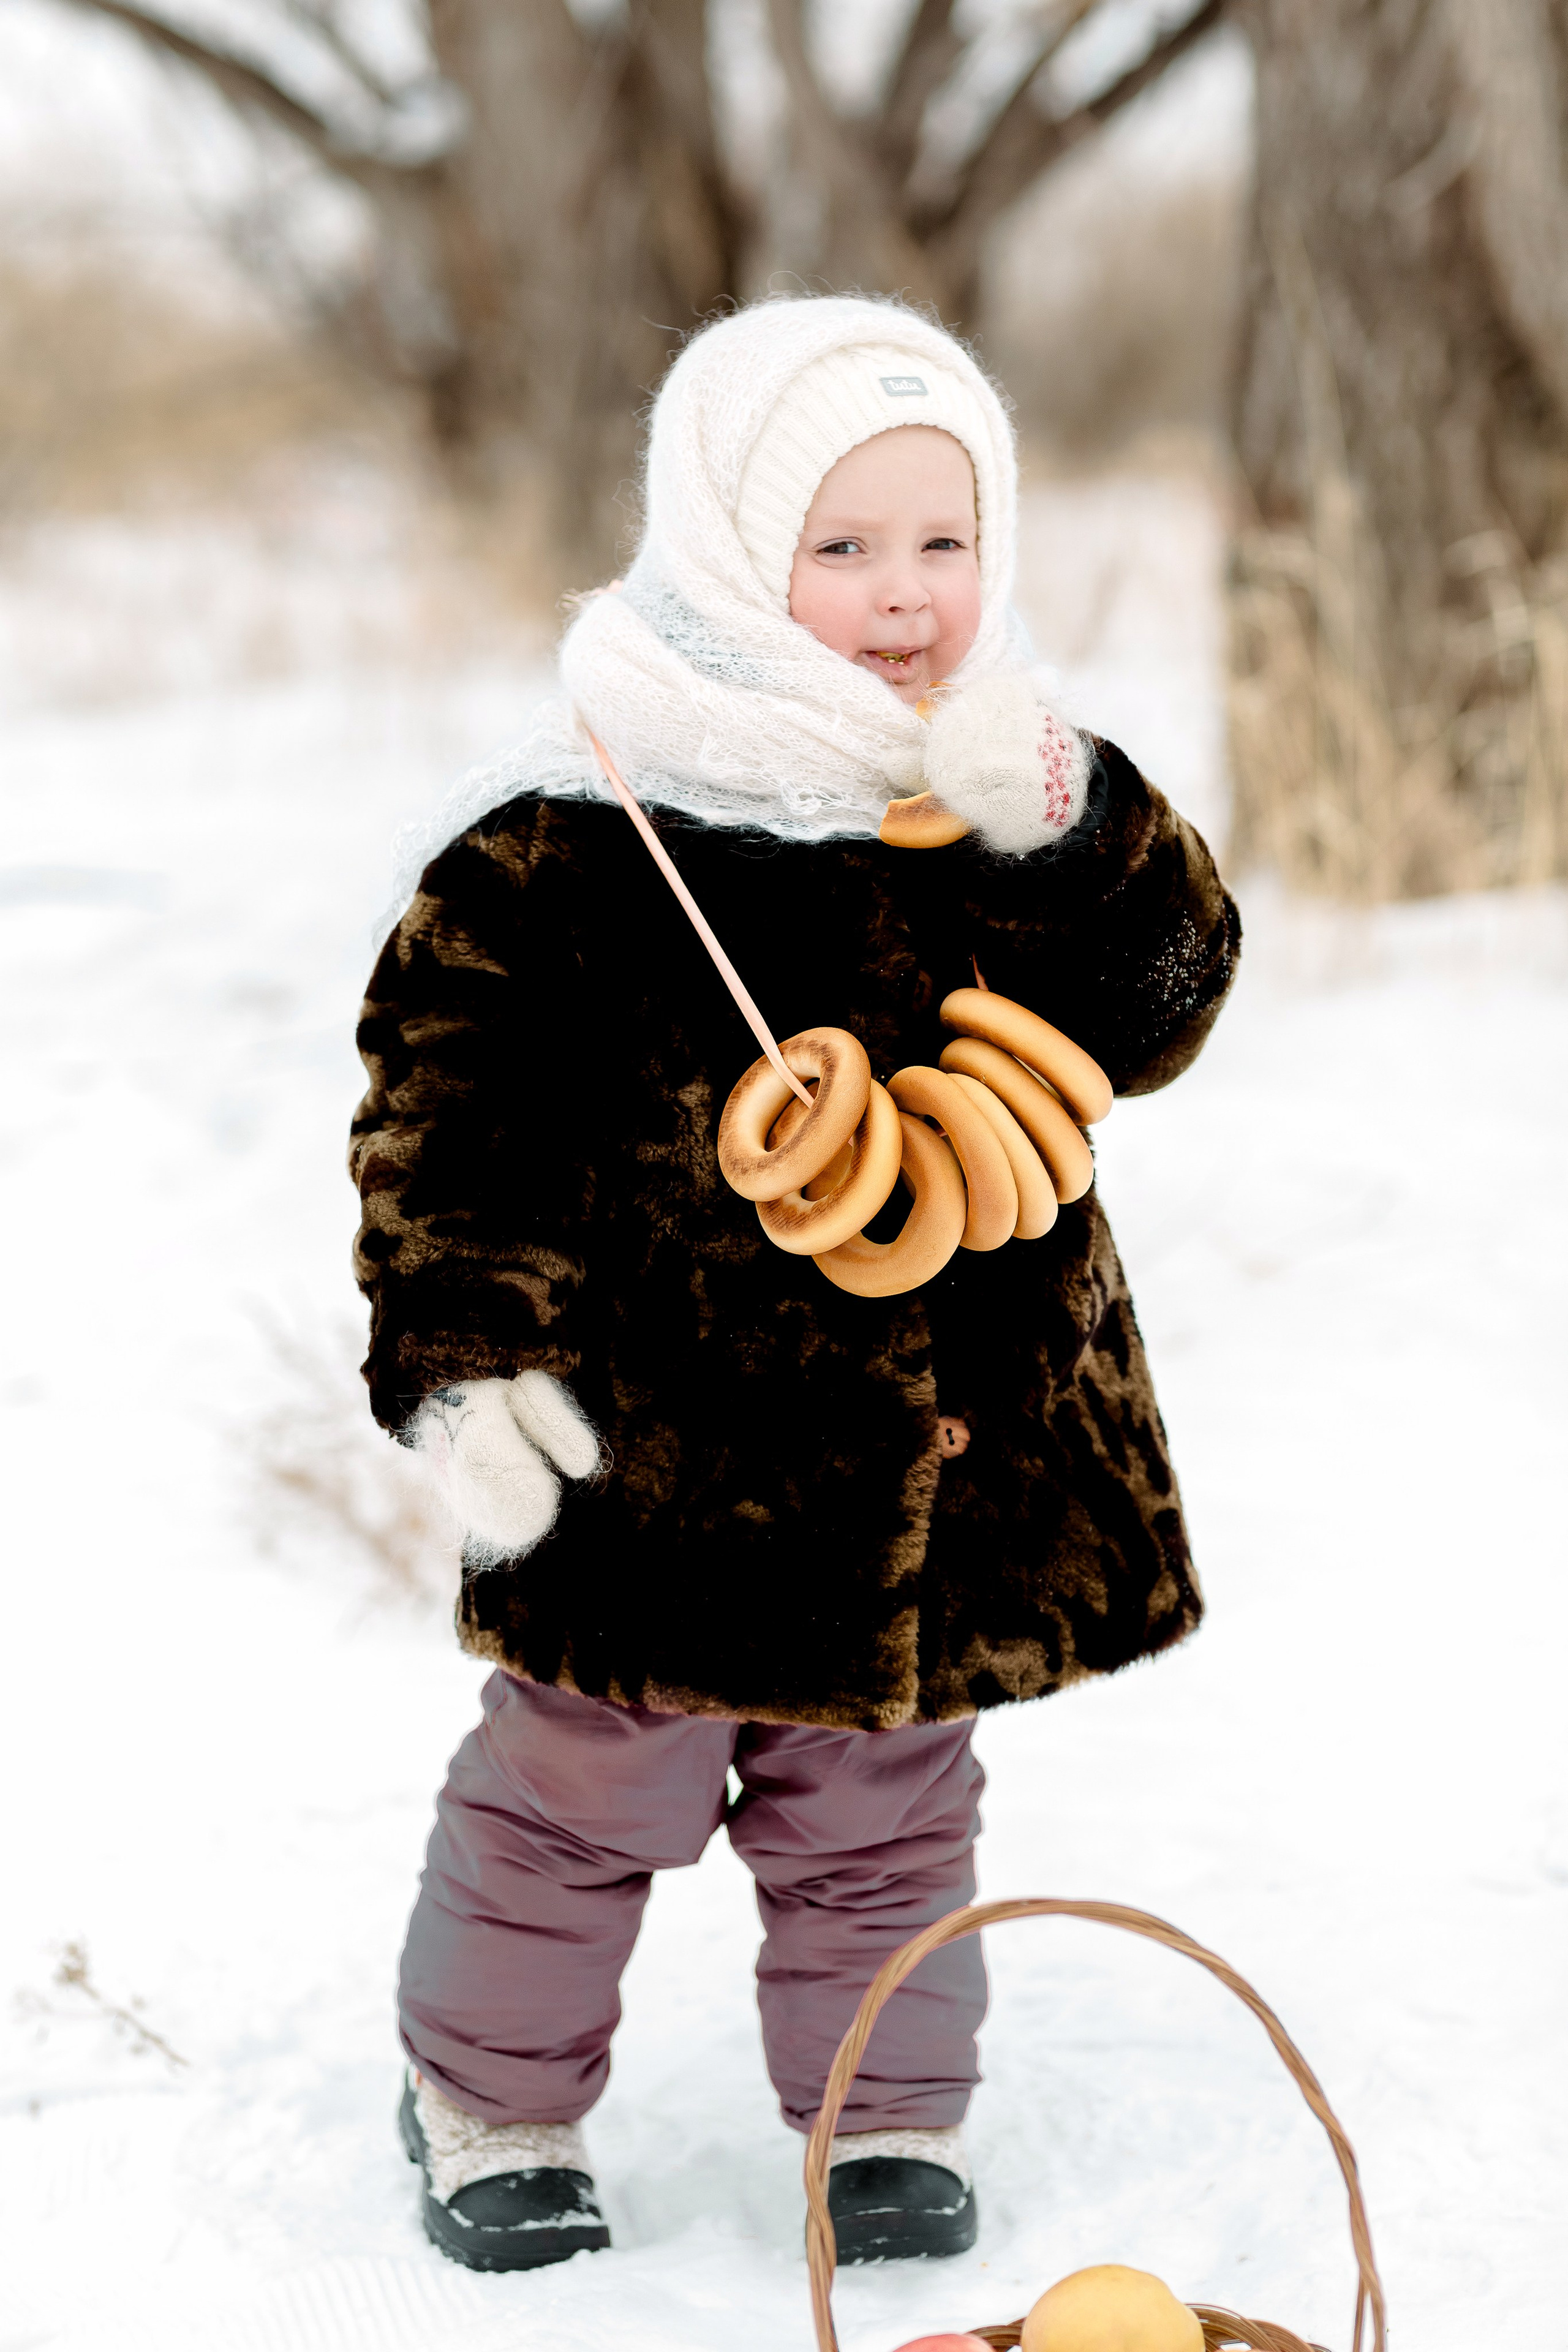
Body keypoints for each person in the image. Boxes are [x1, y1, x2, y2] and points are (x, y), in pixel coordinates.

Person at [349, 296, 1239, 2275]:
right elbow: (450, 1115)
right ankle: (486, 2094)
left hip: (945, 1451)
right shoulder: (576, 835)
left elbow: (1164, 1002)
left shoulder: (997, 786)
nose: (906, 597)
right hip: (658, 1452)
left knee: (891, 1799)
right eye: (843, 549)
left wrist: (1082, 837)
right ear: (735, 550)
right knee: (582, 1793)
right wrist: (469, 1366)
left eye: (945, 542)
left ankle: (884, 2111)